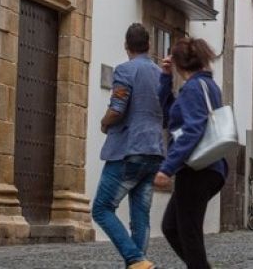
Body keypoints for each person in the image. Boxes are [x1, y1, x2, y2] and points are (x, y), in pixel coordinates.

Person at [92, 24, 172, 269]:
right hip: (155, 151)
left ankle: (135, 259)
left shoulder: (125, 70)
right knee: (140, 216)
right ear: (149, 46)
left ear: (126, 46)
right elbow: (167, 114)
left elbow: (117, 109)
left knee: (102, 208)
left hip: (129, 150)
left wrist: (104, 124)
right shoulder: (161, 75)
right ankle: (138, 265)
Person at [154, 37, 227, 269]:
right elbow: (170, 116)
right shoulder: (201, 86)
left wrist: (167, 167)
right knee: (172, 227)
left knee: (188, 232)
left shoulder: (196, 87)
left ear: (178, 62)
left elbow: (192, 129)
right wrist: (166, 78)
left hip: (199, 169)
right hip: (203, 168)